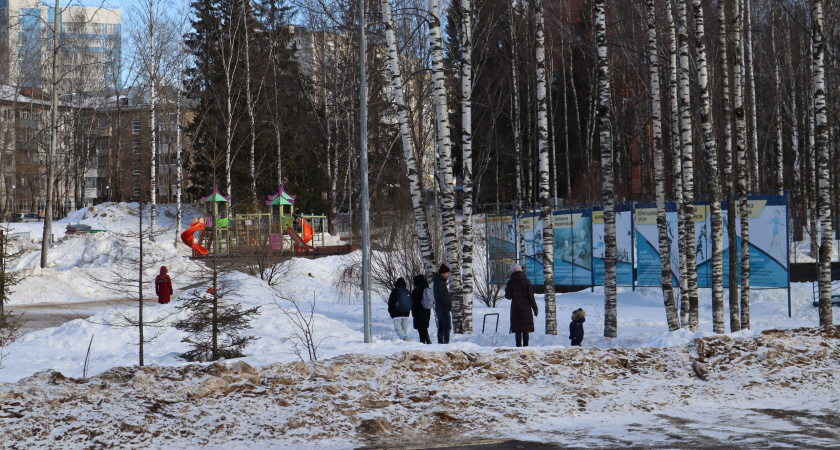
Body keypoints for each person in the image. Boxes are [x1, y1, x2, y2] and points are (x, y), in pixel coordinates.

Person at [505, 264, 538, 347]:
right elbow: (531, 297)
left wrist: (507, 289)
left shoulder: (510, 282)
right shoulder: (527, 281)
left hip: (516, 308)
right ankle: (526, 346)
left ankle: (518, 346)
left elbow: (508, 297)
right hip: (526, 308)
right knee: (525, 329)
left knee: (518, 329)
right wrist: (535, 308)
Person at [433, 263, 452, 344]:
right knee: (446, 326)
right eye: (447, 273)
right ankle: (445, 343)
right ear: (443, 273)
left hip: (440, 307)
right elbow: (440, 296)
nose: (448, 275)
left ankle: (441, 343)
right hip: (443, 307)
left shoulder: (439, 282)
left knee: (441, 327)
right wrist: (447, 303)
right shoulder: (440, 282)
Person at [411, 274, 432, 344]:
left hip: (418, 311)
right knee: (424, 327)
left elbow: (413, 301)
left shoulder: (416, 290)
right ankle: (428, 341)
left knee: (421, 328)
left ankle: (422, 342)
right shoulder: (427, 289)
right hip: (427, 310)